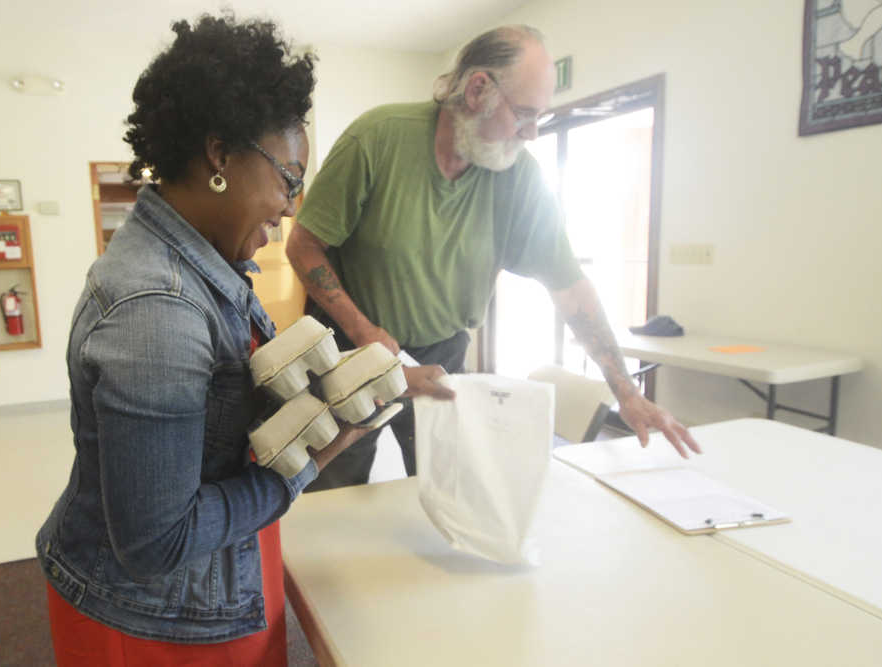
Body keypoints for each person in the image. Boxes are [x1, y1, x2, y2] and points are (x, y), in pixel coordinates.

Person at [35, 14, 447, 666]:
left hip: (209, 578)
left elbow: (217, 406)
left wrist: (337, 387)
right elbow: (157, 541)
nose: (292, 205)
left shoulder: (205, 258)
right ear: (221, 155)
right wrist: (304, 466)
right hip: (158, 614)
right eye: (289, 177)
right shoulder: (158, 310)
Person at [287, 25, 701, 492]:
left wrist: (626, 391)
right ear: (477, 88)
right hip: (353, 348)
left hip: (441, 355)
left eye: (539, 117)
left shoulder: (519, 178)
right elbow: (302, 245)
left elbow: (571, 288)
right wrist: (365, 334)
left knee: (451, 492)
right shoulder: (378, 139)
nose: (532, 132)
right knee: (329, 495)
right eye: (524, 114)